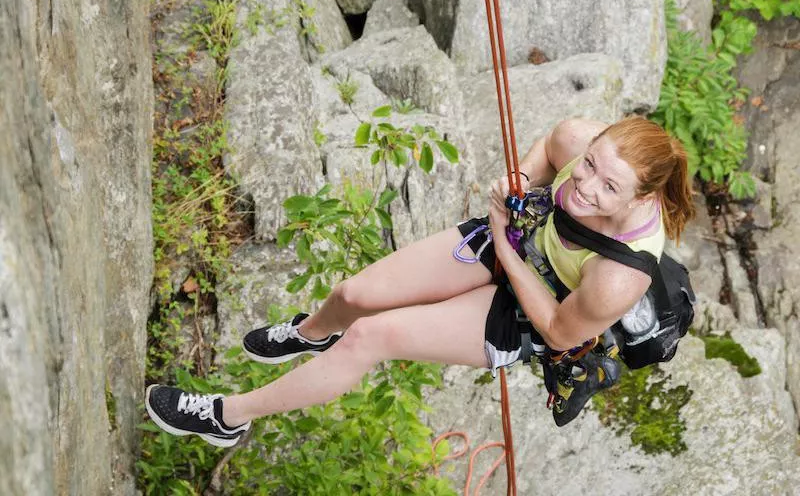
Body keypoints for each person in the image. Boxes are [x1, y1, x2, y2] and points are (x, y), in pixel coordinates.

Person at [145, 116, 695, 446]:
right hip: (520, 239)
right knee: (353, 296)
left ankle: (226, 417)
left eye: (608, 186)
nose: (585, 185)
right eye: (591, 163)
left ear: (641, 199)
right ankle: (312, 334)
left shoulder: (622, 275)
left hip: (532, 308)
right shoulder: (581, 141)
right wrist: (521, 182)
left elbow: (556, 330)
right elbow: (554, 143)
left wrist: (504, 240)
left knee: (371, 335)